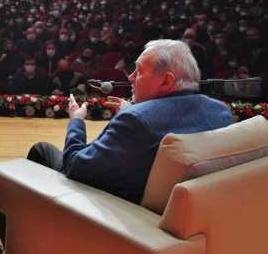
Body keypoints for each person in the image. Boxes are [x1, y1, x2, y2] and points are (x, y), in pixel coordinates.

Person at [27, 39, 233, 204]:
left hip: (121, 210)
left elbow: (75, 166)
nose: (131, 77)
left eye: (139, 71)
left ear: (167, 81)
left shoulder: (135, 121)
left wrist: (77, 122)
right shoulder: (221, 112)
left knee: (42, 150)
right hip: (191, 211)